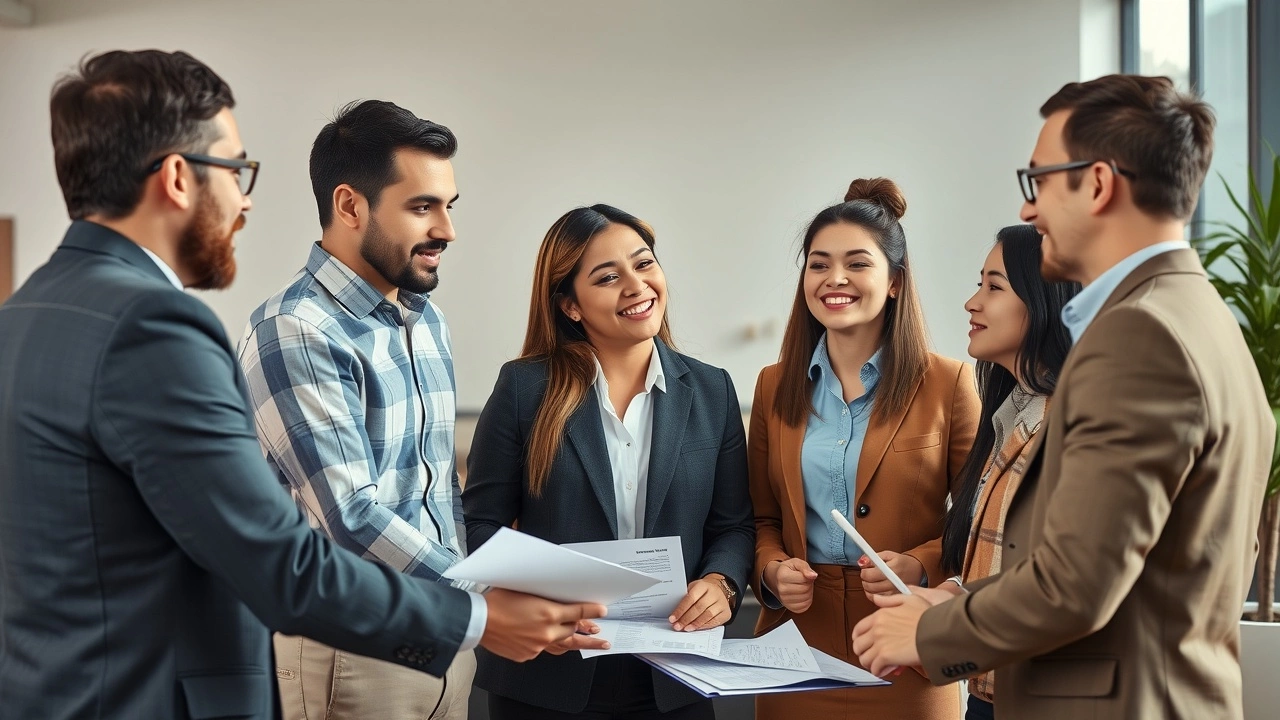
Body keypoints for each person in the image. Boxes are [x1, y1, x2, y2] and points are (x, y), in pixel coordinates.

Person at [0, 49, 604, 720]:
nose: (245, 197)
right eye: (236, 169)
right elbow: (283, 559)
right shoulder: (156, 325)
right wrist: (477, 615)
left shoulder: (24, 313)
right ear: (177, 177)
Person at [853, 74, 1277, 720]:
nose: (1029, 210)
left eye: (1040, 182)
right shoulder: (1198, 314)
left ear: (1099, 183)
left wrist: (925, 632)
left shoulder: (1138, 334)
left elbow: (1078, 584)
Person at [463, 204, 755, 719]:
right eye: (607, 277)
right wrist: (533, 602)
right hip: (548, 674)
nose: (636, 285)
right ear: (570, 306)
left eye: (644, 264)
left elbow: (733, 525)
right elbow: (478, 524)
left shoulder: (713, 390)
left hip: (675, 676)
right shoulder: (524, 387)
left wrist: (722, 584)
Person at [237, 100, 476, 719]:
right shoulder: (296, 328)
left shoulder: (428, 322)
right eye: (423, 207)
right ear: (350, 206)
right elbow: (350, 517)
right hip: (354, 645)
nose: (447, 229)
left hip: (445, 633)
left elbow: (436, 487)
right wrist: (483, 601)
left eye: (449, 205)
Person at [748, 178, 979, 720]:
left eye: (857, 264)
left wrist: (920, 565)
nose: (835, 279)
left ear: (895, 282)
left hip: (908, 645)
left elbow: (978, 521)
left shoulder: (948, 382)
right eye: (819, 263)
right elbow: (758, 517)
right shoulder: (771, 385)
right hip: (795, 650)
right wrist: (773, 570)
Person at [924, 225, 1080, 720]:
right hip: (988, 694)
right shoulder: (1010, 417)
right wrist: (946, 592)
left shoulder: (1074, 428)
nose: (972, 302)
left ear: (1044, 302)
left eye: (995, 286)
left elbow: (1066, 585)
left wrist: (942, 621)